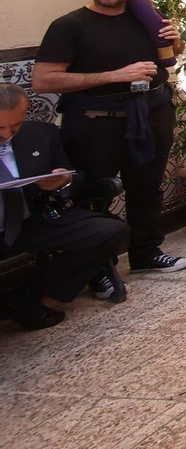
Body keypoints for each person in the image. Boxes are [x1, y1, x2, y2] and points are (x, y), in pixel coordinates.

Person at [32, 0, 186, 275]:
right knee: (94, 192)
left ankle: (145, 252)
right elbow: (43, 80)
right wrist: (113, 75)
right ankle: (98, 270)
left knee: (146, 186)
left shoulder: (142, 17)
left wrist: (175, 39)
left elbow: (172, 57)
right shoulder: (69, 26)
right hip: (95, 120)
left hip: (152, 112)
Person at [0, 83, 130, 330]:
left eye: (14, 126)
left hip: (30, 219)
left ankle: (24, 298)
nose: (6, 134)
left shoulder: (41, 134)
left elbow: (74, 176)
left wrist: (63, 181)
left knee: (110, 231)